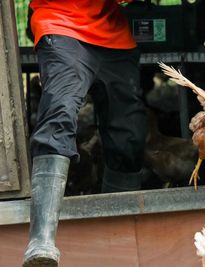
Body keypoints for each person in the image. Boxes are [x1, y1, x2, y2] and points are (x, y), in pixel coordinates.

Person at [23, 1, 148, 266]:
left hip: (114, 35)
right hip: (62, 23)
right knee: (59, 114)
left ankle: (118, 234)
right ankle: (41, 241)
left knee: (130, 134)